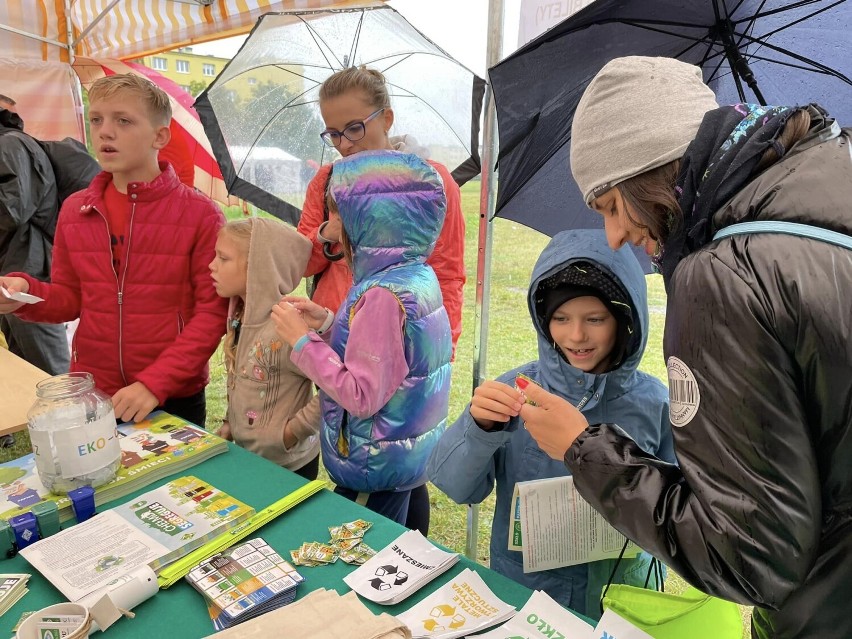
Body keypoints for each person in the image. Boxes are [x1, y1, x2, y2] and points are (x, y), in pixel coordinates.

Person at [520, 55, 852, 639]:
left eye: (610, 205)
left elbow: (748, 553)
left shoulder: (724, 275)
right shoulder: (829, 191)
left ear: (649, 172)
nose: (615, 236)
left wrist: (584, 450)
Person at [428, 229, 674, 619]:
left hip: (616, 598)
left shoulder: (655, 403)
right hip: (524, 595)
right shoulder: (516, 391)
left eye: (595, 318)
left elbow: (679, 512)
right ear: (543, 321)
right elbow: (457, 488)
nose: (576, 335)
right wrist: (480, 428)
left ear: (626, 321)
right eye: (560, 318)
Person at [0, 74, 228, 428]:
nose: (105, 131)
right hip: (96, 392)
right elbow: (70, 299)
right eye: (97, 119)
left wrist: (155, 384)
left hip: (173, 395)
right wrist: (27, 294)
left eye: (123, 120)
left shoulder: (200, 215)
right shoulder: (76, 210)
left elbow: (211, 315)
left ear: (160, 136)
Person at [297, 65, 465, 536]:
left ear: (386, 118)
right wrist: (332, 239)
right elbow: (303, 259)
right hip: (338, 343)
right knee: (369, 451)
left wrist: (430, 350)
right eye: (333, 133)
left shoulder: (431, 184)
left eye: (355, 127)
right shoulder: (329, 181)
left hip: (400, 353)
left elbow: (448, 270)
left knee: (393, 468)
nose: (345, 143)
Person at [273, 150, 452, 527]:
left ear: (372, 220)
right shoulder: (414, 276)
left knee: (364, 563)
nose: (331, 226)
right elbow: (384, 353)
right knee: (409, 548)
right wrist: (326, 322)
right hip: (405, 458)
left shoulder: (382, 296)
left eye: (338, 214)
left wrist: (302, 341)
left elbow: (361, 395)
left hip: (374, 465)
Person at [210, 217, 321, 480]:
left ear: (258, 268)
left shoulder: (287, 328)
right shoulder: (240, 317)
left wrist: (290, 433)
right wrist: (229, 423)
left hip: (289, 468)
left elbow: (335, 389)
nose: (211, 266)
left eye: (223, 259)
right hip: (250, 458)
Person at [0, 95, 71, 376]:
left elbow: (12, 209)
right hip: (17, 264)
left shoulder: (10, 143)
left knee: (52, 374)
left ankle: (71, 417)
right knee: (27, 368)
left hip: (30, 268)